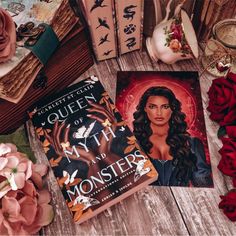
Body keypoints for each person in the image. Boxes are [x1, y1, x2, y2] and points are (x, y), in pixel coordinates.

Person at [133, 86, 213, 187]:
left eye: (165, 107)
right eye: (152, 107)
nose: (159, 113)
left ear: (172, 108)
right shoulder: (132, 144)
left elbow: (203, 186)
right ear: (145, 109)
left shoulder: (192, 144)